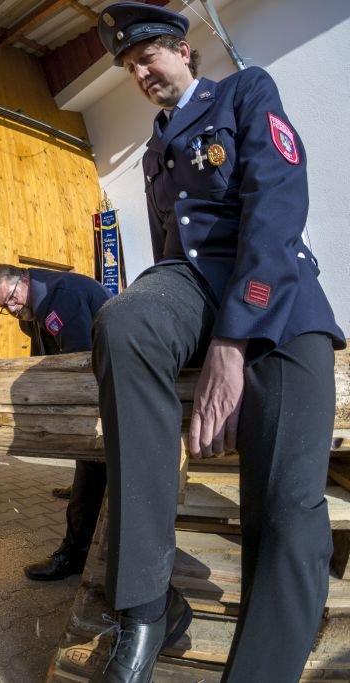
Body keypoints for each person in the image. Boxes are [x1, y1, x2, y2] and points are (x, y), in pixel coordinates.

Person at [91, 5, 345, 683]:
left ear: (181, 48)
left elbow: (280, 199)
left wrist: (233, 342)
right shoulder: (152, 152)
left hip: (276, 288)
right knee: (124, 319)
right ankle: (146, 605)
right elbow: (175, 252)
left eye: (147, 56)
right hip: (191, 286)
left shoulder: (245, 91)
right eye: (128, 66)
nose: (139, 72)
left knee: (290, 512)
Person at [0, 264, 110, 582]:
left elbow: (79, 365)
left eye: (11, 298)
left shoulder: (60, 299)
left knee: (93, 467)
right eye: (4, 307)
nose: (11, 309)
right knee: (91, 466)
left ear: (23, 280)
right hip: (103, 383)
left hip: (109, 387)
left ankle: (74, 554)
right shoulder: (41, 300)